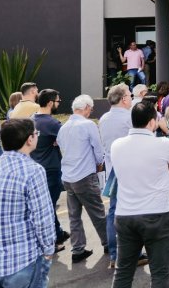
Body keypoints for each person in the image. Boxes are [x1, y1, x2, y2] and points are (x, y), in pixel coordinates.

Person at [110, 102, 169, 288]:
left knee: (123, 271)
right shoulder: (162, 143)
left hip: (125, 215)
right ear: (152, 122)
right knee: (160, 272)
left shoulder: (117, 145)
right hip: (156, 214)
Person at [0, 118, 55, 288]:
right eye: (36, 133)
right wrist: (48, 250)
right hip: (21, 260)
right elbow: (42, 219)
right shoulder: (33, 171)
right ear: (29, 139)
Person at [56, 94, 108, 263]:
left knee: (74, 216)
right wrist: (99, 164)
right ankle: (109, 243)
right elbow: (98, 150)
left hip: (68, 176)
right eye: (90, 109)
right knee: (98, 213)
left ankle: (77, 249)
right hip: (85, 175)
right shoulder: (88, 125)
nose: (90, 112)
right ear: (86, 107)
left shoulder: (63, 128)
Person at [98, 84, 138, 268]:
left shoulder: (104, 118)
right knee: (134, 212)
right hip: (129, 169)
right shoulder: (130, 117)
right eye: (130, 95)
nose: (131, 98)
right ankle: (130, 253)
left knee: (114, 211)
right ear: (123, 99)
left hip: (112, 168)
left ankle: (114, 254)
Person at [30, 89, 70, 251]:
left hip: (37, 168)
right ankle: (50, 242)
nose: (59, 103)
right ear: (50, 103)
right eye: (58, 101)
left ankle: (58, 233)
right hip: (51, 169)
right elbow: (67, 140)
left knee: (46, 205)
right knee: (48, 207)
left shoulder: (31, 119)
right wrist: (57, 142)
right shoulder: (53, 124)